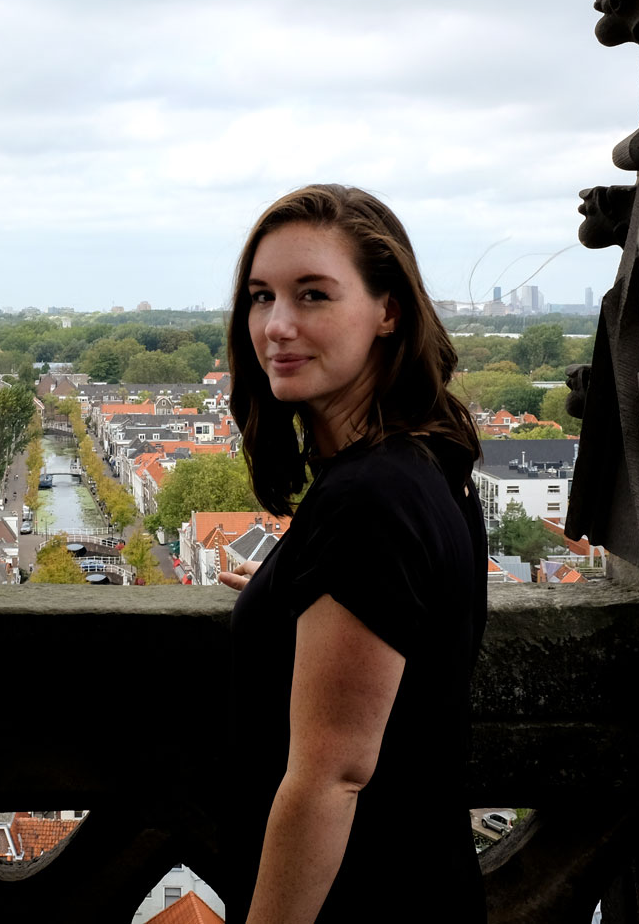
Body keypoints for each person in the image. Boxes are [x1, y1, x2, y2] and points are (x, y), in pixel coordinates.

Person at [220, 184, 488, 924]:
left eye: (312, 295)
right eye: (260, 296)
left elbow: (329, 779)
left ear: (388, 310)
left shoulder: (367, 502)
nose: (276, 325)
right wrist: (288, 588)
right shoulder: (431, 463)